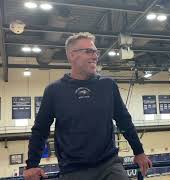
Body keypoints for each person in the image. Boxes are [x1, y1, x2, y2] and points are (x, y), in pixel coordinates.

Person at [23, 32, 152, 180]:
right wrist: (32, 165)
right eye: (89, 51)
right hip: (73, 169)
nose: (95, 56)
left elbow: (124, 120)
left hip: (109, 165)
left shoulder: (108, 85)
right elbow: (40, 130)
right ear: (72, 55)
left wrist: (139, 151)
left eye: (96, 52)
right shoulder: (54, 91)